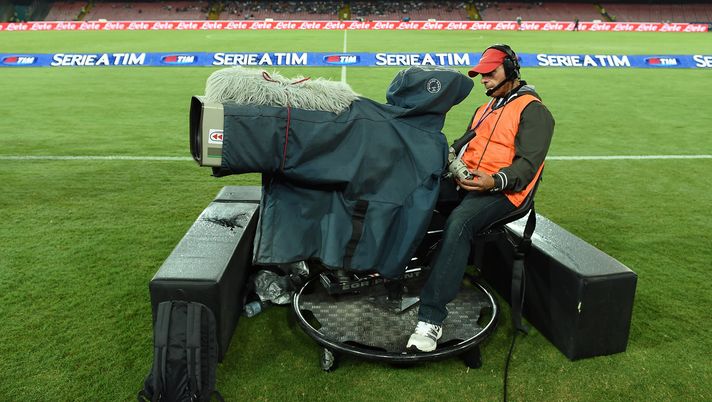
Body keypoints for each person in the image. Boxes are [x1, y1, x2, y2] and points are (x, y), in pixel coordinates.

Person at [406, 44, 555, 352]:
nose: (484, 79)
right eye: (481, 74)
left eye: (490, 73)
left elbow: (527, 167)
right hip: (471, 181)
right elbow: (466, 143)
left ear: (511, 71)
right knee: (411, 188)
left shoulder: (534, 111)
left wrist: (493, 181)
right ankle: (396, 267)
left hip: (506, 193)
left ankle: (431, 319)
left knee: (460, 223)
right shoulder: (485, 107)